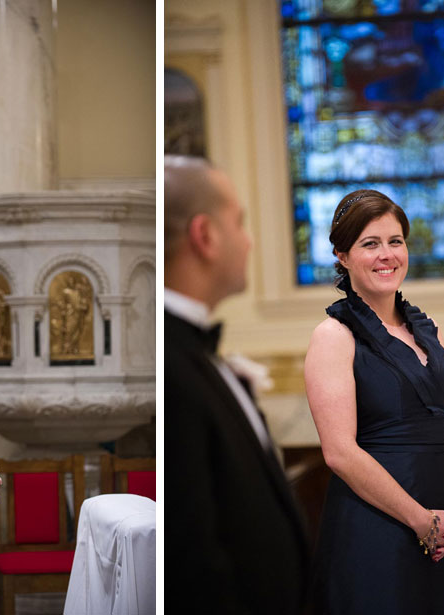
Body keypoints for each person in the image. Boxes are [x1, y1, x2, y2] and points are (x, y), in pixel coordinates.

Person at [304, 189, 444, 614]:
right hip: (379, 525)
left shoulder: (430, 329)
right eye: (370, 244)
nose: (387, 255)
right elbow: (339, 453)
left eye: (395, 241)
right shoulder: (333, 337)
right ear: (342, 256)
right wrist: (422, 520)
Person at [164, 155, 309, 614]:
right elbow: (193, 553)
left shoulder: (198, 355)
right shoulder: (174, 367)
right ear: (205, 236)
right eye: (239, 223)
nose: (248, 241)